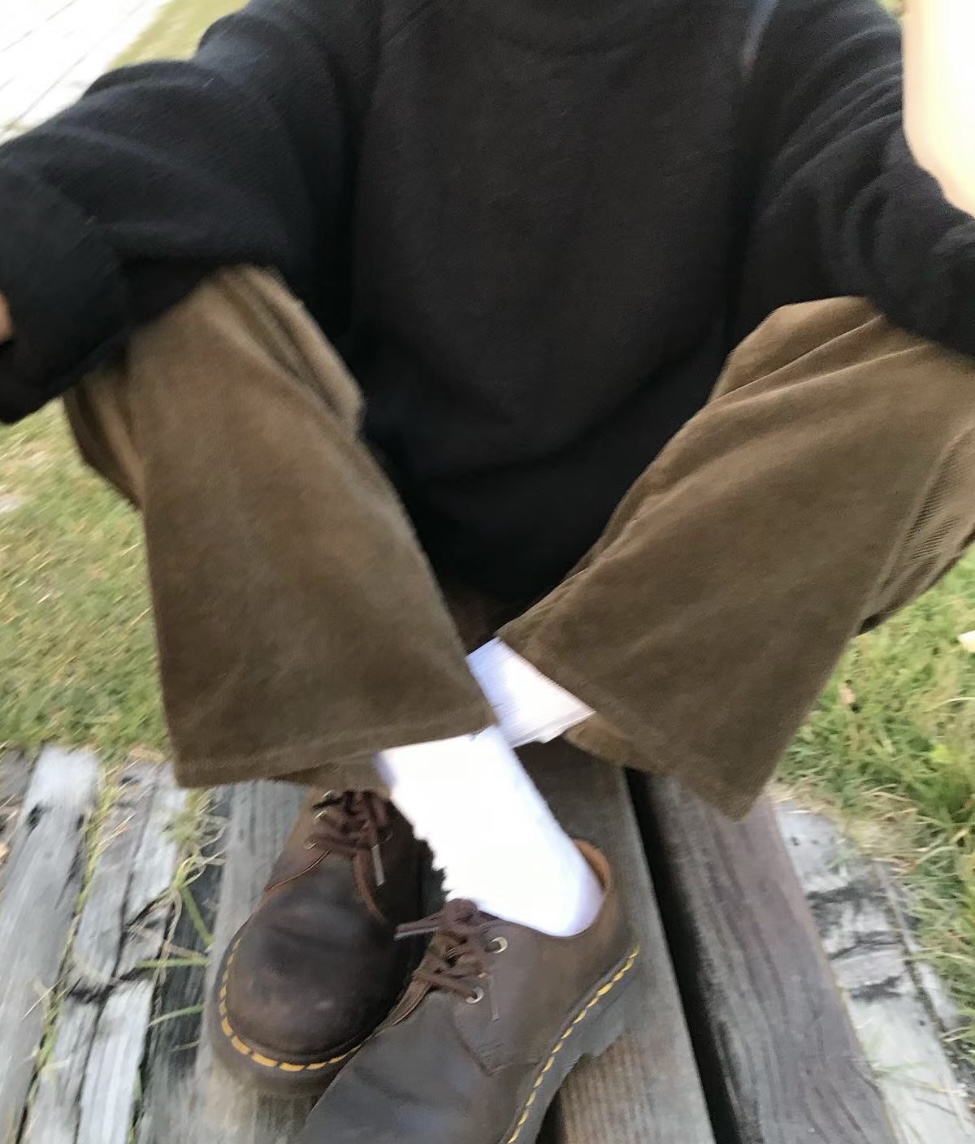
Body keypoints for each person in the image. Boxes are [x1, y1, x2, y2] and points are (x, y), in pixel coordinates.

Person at [2, 0, 974, 1138]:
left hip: (658, 569)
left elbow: (943, 242)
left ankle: (416, 740)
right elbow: (194, 121)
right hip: (370, 545)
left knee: (946, 361)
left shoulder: (796, 31)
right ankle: (499, 844)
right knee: (139, 268)